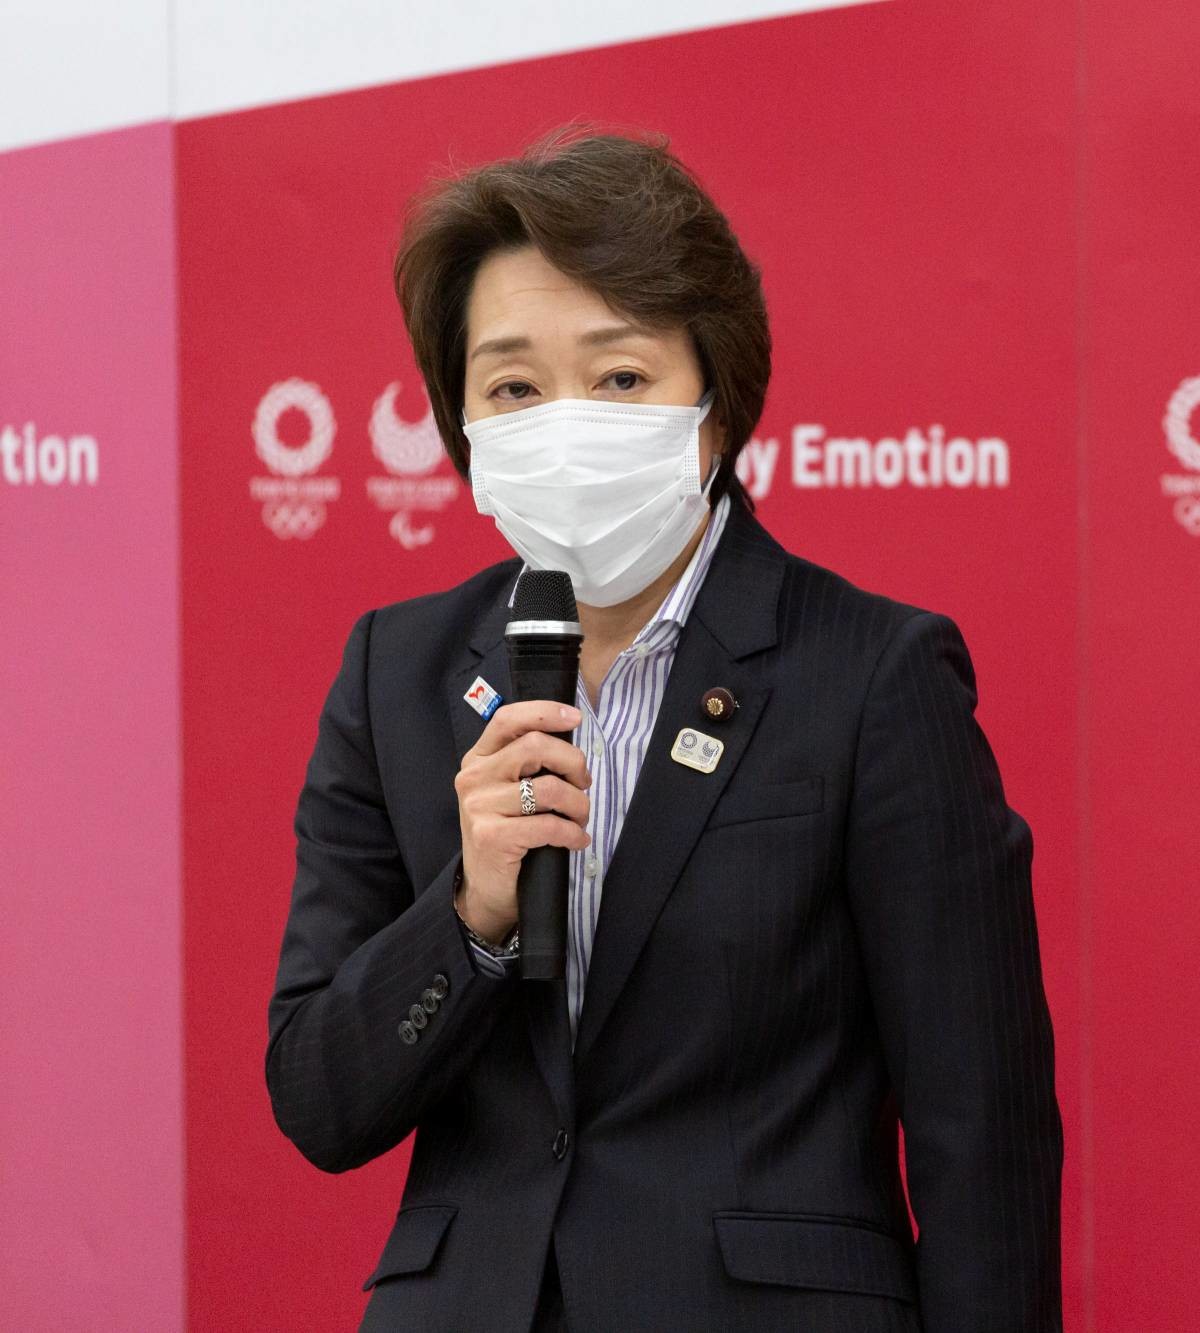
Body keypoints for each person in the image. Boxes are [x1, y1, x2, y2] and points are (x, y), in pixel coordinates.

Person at [263, 123, 1063, 1331]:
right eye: (514, 388)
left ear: (715, 404)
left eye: (620, 378)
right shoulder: (397, 672)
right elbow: (320, 1098)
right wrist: (470, 914)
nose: (565, 422)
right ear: (462, 423)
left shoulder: (871, 675)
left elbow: (980, 1125)